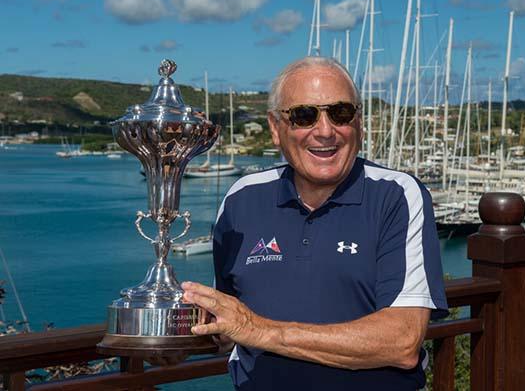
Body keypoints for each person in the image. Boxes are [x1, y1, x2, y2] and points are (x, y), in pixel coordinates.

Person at [182, 56, 448, 390]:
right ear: (276, 129)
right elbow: (232, 329)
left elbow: (402, 341)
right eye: (304, 116)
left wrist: (259, 329)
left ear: (359, 124)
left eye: (340, 113)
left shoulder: (396, 195)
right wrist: (184, 341)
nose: (325, 131)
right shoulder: (241, 199)